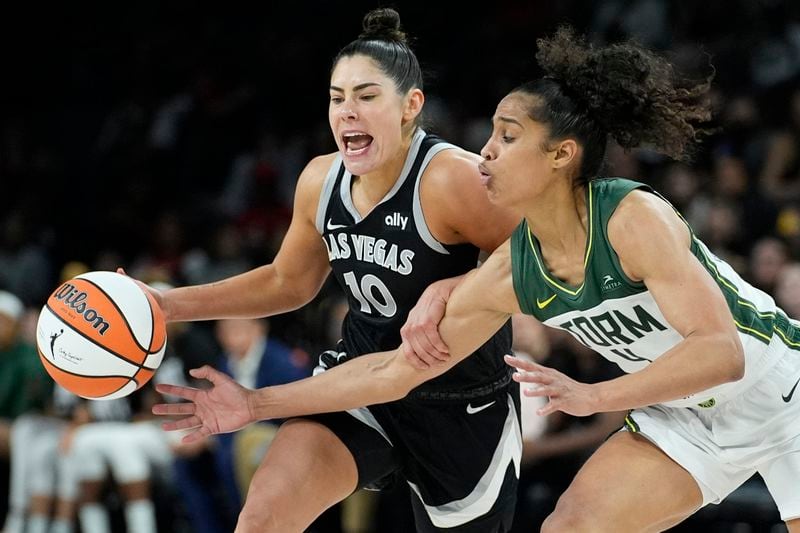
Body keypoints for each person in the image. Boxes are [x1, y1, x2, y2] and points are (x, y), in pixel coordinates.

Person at [155, 27, 800, 531]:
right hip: (679, 419)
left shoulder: (630, 216)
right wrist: (253, 405)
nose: (483, 149)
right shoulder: (510, 268)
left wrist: (596, 396)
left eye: (506, 136)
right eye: (490, 132)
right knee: (571, 527)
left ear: (560, 156)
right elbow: (392, 369)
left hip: (781, 394)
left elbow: (722, 353)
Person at [140, 7, 521, 532]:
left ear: (411, 106)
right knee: (262, 519)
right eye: (337, 98)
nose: (347, 112)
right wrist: (165, 305)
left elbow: (536, 253)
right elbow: (287, 282)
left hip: (461, 401)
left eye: (367, 97)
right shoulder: (321, 180)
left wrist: (455, 285)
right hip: (358, 385)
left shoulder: (451, 179)